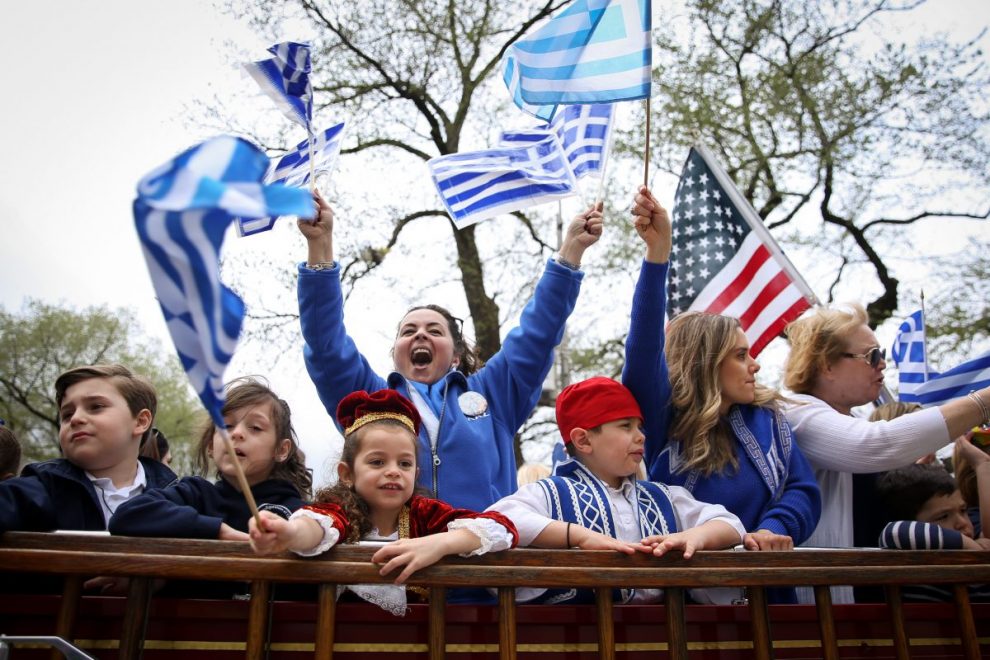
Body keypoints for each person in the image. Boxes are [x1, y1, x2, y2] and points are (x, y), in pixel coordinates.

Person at [297, 191, 602, 512]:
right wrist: (320, 246)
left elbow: (538, 334)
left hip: (483, 551)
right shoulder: (369, 400)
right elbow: (325, 344)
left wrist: (571, 253)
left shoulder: (494, 392)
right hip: (393, 552)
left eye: (435, 331)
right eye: (409, 331)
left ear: (456, 356)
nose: (420, 336)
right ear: (396, 353)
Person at [619, 186, 818, 602]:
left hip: (769, 597)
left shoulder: (770, 420)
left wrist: (775, 531)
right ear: (707, 362)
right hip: (681, 606)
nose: (756, 366)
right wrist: (658, 253)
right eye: (742, 355)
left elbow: (803, 491)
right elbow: (641, 350)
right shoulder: (662, 417)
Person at [781, 304, 990, 603]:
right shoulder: (797, 413)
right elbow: (877, 444)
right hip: (819, 616)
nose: (882, 365)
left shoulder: (843, 422)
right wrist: (983, 402)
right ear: (826, 364)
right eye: (872, 356)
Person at [249, 389, 518, 615]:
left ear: (416, 473)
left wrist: (440, 543)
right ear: (347, 474)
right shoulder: (339, 509)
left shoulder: (425, 514)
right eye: (377, 462)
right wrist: (289, 532)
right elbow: (314, 527)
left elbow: (502, 527)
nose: (393, 471)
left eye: (404, 463)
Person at [488, 376, 746, 605]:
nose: (641, 436)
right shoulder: (550, 493)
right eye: (626, 426)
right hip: (577, 640)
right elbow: (495, 521)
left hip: (660, 639)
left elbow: (730, 524)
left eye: (639, 426)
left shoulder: (663, 496)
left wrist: (695, 536)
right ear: (583, 440)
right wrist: (578, 536)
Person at [110, 378, 310, 540]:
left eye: (255, 427)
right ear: (211, 447)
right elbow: (127, 516)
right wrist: (217, 530)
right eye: (226, 425)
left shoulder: (296, 512)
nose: (236, 434)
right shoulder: (195, 495)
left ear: (281, 450)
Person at [0, 364, 177, 533]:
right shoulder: (42, 488)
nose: (76, 418)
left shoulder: (177, 494)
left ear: (140, 421)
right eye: (67, 414)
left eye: (96, 407)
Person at [877, 456, 990, 602]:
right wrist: (968, 544)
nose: (962, 523)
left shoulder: (974, 546)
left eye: (963, 511)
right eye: (943, 517)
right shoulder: (912, 555)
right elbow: (895, 531)